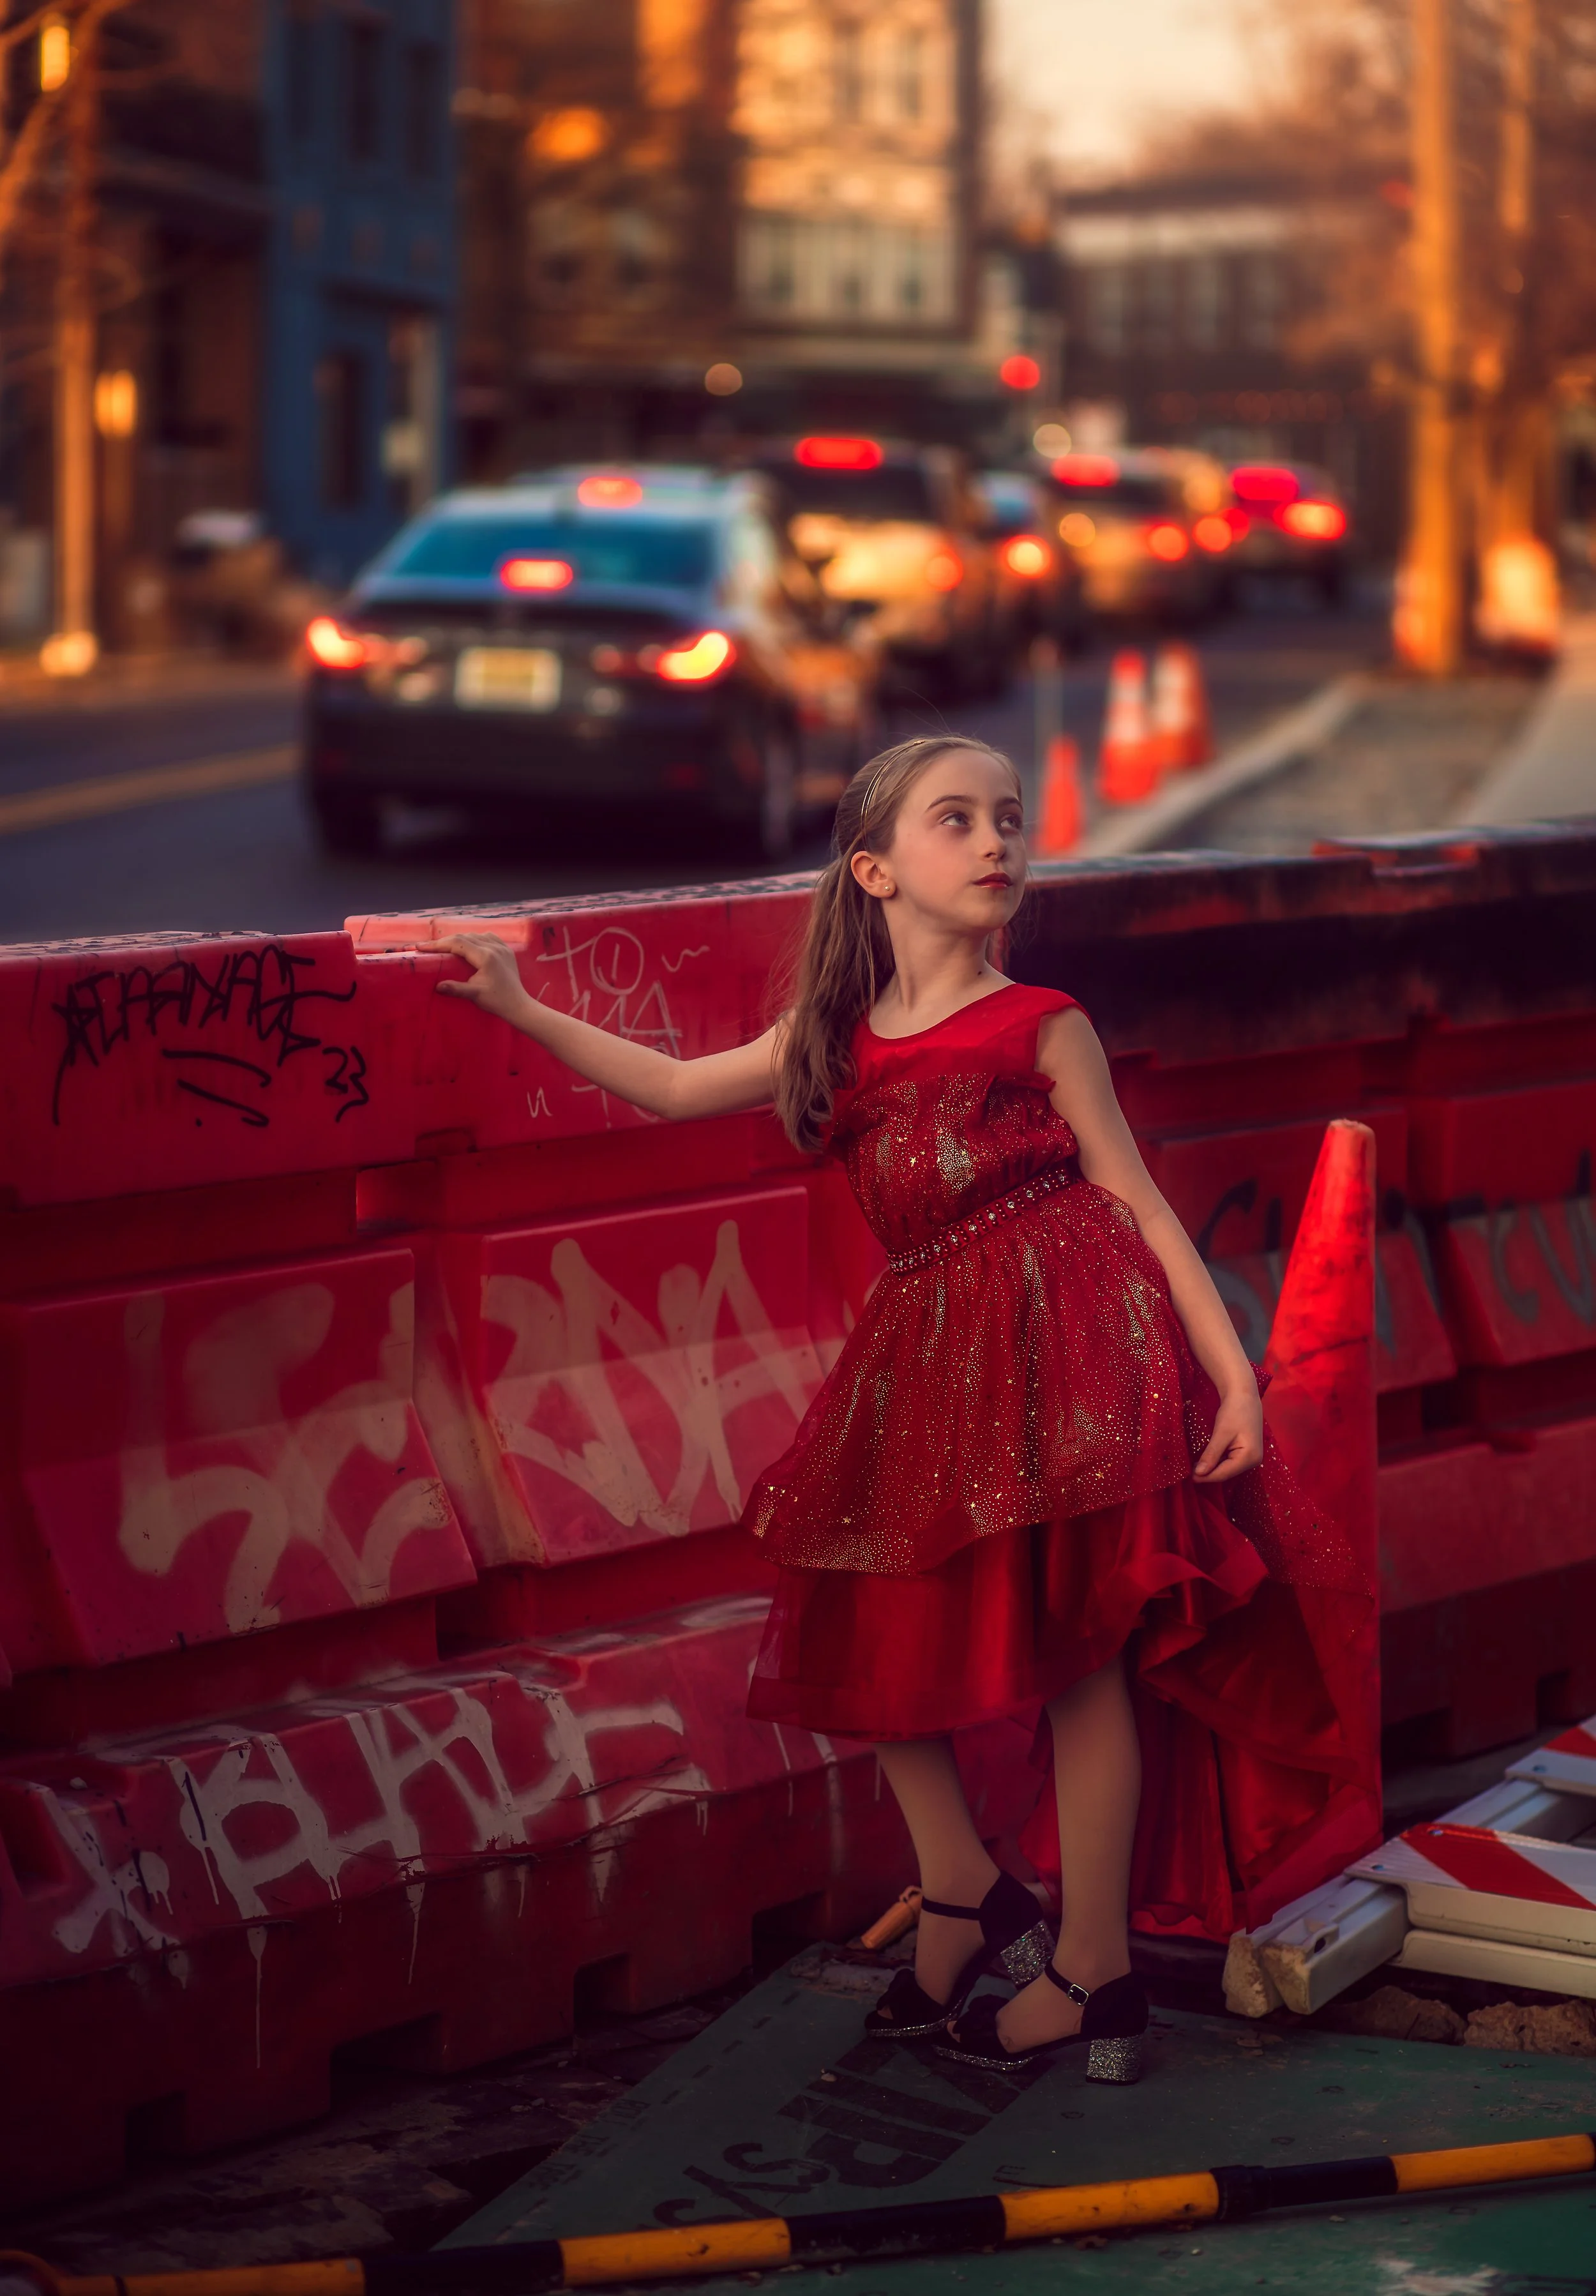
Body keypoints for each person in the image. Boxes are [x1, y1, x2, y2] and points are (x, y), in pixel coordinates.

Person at [433, 734, 1377, 2083]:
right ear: (874, 867)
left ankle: (1090, 1967)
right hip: (931, 1356)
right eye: (956, 821)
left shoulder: (1039, 1020)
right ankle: (961, 1889)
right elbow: (668, 1086)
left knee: (1086, 1647)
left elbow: (1130, 1196)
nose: (996, 841)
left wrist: (1232, 1371)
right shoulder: (838, 1040)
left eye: (1006, 819)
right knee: (858, 1621)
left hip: (1079, 1346)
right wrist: (515, 1004)